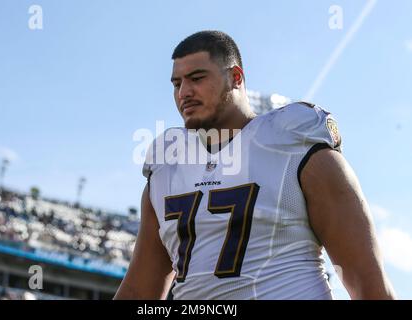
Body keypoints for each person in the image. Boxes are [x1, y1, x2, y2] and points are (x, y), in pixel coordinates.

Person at [114, 30, 396, 300]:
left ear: (236, 77)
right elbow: (140, 290)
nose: (184, 92)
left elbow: (368, 284)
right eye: (177, 84)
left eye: (196, 78)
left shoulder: (295, 144)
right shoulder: (167, 166)